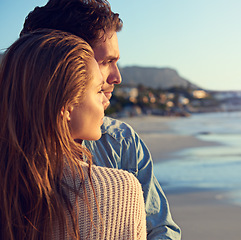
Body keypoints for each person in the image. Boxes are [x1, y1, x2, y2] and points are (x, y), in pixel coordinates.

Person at [21, 1, 181, 239]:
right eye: (106, 62)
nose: (117, 77)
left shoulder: (121, 142)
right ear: (59, 68)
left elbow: (161, 230)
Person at [0, 30, 147, 240]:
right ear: (66, 106)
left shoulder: (10, 188)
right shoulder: (120, 190)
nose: (105, 101)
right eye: (98, 91)